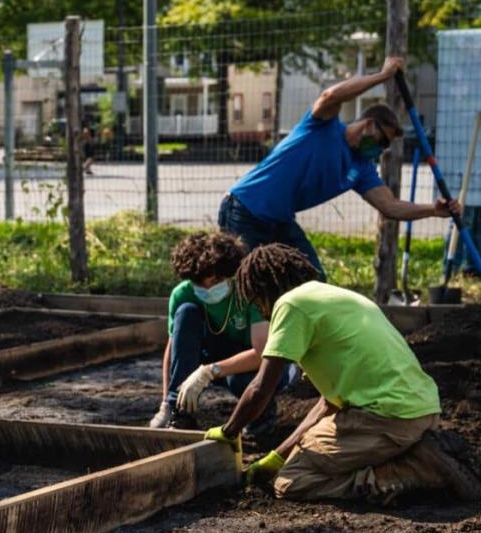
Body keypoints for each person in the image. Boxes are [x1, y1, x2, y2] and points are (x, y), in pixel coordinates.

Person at [204, 244, 481, 504]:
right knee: (292, 463)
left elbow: (260, 388)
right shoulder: (334, 297)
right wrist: (278, 455)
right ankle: (415, 451)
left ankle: (413, 470)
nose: (261, 310)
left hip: (384, 418)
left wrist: (229, 431)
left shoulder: (291, 305)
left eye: (255, 301)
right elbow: (328, 403)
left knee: (292, 480)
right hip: (420, 410)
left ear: (264, 289)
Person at [219, 57, 461, 279]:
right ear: (368, 124)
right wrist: (383, 75)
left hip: (279, 220)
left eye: (386, 146)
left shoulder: (361, 169)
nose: (381, 149)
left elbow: (391, 207)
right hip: (244, 209)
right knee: (244, 283)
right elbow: (331, 96)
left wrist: (432, 209)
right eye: (382, 141)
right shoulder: (322, 125)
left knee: (313, 279)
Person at [149, 231, 293, 433]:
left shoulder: (250, 291)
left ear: (229, 273)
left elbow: (264, 354)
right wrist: (167, 401)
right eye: (200, 283)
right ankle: (179, 414)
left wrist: (209, 371)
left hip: (258, 364)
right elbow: (174, 349)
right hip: (214, 353)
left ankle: (259, 414)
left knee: (241, 380)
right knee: (186, 312)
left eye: (214, 281)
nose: (207, 289)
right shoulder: (183, 294)